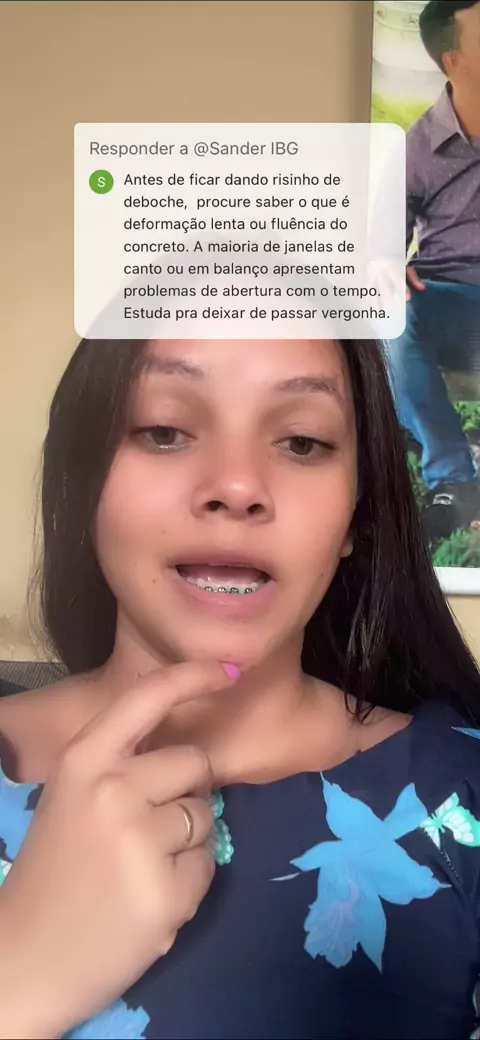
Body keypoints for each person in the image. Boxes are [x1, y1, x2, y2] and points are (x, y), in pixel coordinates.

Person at [1, 335, 480, 1039]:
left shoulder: (462, 794)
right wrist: (19, 979)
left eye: (303, 442)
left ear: (357, 514)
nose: (236, 487)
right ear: (84, 478)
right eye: (164, 431)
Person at [386, 0, 480, 540]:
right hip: (451, 301)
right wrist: (384, 269)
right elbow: (379, 248)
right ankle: (454, 481)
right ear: (454, 61)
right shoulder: (416, 150)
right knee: (393, 316)